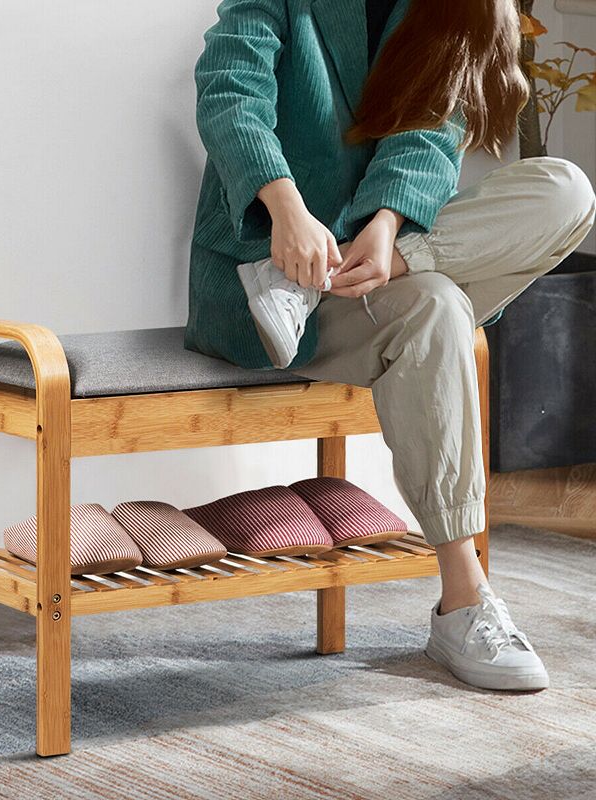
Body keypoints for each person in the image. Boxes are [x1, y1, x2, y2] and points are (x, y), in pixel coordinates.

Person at [185, 0, 596, 691]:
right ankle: (464, 601)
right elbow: (230, 90)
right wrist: (286, 210)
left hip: (379, 261)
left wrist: (390, 229)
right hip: (264, 276)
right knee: (438, 307)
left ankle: (400, 264)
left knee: (567, 190)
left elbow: (431, 132)